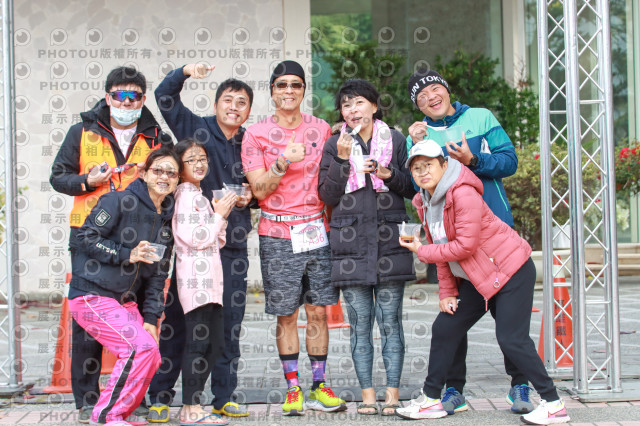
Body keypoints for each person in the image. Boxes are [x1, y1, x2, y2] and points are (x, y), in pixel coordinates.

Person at [394, 141, 570, 425]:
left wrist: (422, 251)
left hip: (510, 269)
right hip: (478, 275)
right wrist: (447, 292)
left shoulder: (462, 193)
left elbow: (465, 246)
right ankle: (431, 399)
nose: (422, 171)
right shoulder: (426, 202)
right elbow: (444, 252)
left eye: (428, 164)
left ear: (444, 165)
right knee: (445, 327)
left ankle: (553, 404)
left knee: (511, 339)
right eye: (416, 168)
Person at [405, 68, 532, 414]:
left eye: (434, 89)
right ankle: (453, 389)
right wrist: (413, 143)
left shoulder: (480, 117)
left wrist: (472, 160)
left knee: (509, 321)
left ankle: (520, 384)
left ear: (446, 90)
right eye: (421, 97)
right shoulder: (420, 134)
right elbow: (419, 186)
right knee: (454, 318)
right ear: (418, 106)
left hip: (495, 238)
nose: (430, 98)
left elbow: (509, 162)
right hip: (454, 243)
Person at [49, 66, 172, 423]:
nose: (127, 102)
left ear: (143, 99)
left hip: (139, 232)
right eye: (120, 95)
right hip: (90, 232)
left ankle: (133, 395)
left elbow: (165, 176)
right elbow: (58, 177)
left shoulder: (156, 135)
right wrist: (87, 181)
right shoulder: (82, 131)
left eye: (135, 96)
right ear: (108, 97)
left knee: (135, 309)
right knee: (91, 315)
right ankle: (88, 398)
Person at [149, 64, 254, 420]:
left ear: (248, 110)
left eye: (242, 102)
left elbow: (261, 184)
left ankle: (223, 396)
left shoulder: (250, 141)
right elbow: (164, 96)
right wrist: (185, 71)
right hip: (193, 251)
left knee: (227, 327)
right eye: (228, 100)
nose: (234, 107)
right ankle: (161, 396)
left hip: (232, 246)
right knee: (179, 324)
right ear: (216, 103)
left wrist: (251, 196)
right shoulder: (196, 129)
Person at [241, 60, 346, 416]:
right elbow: (259, 189)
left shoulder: (321, 129)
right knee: (286, 315)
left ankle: (320, 385)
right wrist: (283, 160)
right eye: (282, 84)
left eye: (296, 84)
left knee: (318, 312)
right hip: (277, 232)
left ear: (303, 90)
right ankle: (292, 389)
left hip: (316, 230)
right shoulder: (255, 134)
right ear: (272, 91)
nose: (289, 90)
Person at [318, 79, 415, 416]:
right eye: (346, 105)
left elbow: (412, 187)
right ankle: (368, 395)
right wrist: (342, 160)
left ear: (374, 106)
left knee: (391, 323)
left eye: (359, 102)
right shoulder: (334, 144)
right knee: (360, 326)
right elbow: (327, 195)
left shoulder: (396, 140)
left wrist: (388, 173)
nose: (353, 110)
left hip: (390, 244)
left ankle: (392, 394)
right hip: (351, 247)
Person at [67, 146, 180, 426]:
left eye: (171, 173)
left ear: (177, 180)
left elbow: (157, 276)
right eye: (158, 170)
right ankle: (106, 415)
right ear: (143, 173)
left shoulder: (166, 221)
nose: (164, 177)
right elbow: (86, 238)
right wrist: (126, 254)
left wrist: (151, 319)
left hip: (123, 300)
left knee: (151, 354)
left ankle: (121, 413)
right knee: (137, 349)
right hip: (92, 294)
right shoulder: (117, 201)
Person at [172, 139, 237, 425]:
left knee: (214, 344)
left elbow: (215, 239)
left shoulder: (198, 195)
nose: (199, 164)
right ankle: (190, 407)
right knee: (199, 345)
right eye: (191, 160)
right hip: (195, 281)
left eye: (202, 158)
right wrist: (219, 215)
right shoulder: (186, 196)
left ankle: (193, 404)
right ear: (180, 168)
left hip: (209, 282)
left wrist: (219, 215)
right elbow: (197, 239)